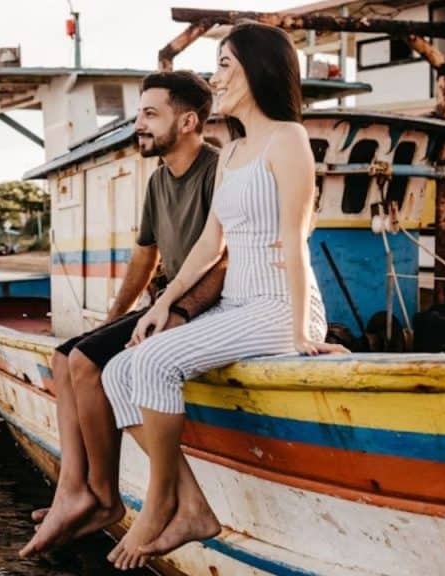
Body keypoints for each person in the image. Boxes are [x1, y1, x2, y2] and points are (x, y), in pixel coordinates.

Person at [100, 22, 350, 571]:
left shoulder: (289, 141)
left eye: (226, 66)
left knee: (158, 363)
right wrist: (164, 304)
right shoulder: (232, 151)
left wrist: (305, 334)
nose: (218, 78)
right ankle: (191, 505)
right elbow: (211, 243)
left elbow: (295, 240)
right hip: (237, 304)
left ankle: (159, 502)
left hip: (279, 305)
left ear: (257, 70)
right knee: (120, 370)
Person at [19, 70, 227, 558]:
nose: (140, 125)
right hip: (163, 301)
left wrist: (173, 311)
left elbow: (224, 256)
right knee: (64, 356)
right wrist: (112, 318)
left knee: (88, 364)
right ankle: (74, 489)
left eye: (151, 115)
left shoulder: (217, 171)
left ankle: (105, 497)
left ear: (189, 121)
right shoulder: (159, 180)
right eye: (140, 115)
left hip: (200, 304)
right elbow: (144, 257)